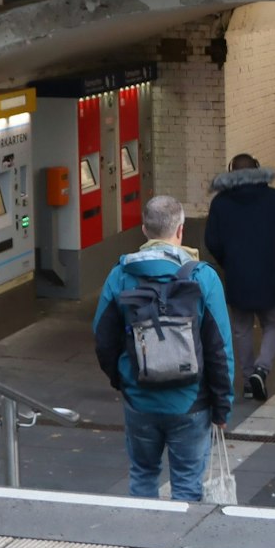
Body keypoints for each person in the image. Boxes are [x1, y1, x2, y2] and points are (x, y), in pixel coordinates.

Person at [93, 194, 234, 502]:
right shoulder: (203, 277)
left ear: (144, 229)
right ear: (181, 230)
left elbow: (103, 339)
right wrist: (222, 405)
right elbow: (219, 348)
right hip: (191, 402)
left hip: (139, 399)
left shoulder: (121, 275)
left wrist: (124, 380)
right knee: (187, 486)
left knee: (142, 476)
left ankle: (143, 531)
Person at [204, 154, 275, 402]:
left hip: (237, 276)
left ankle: (249, 381)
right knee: (273, 324)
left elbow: (212, 241)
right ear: (257, 170)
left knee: (241, 329)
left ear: (231, 173)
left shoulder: (220, 203)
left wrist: (227, 261)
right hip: (270, 274)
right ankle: (262, 368)